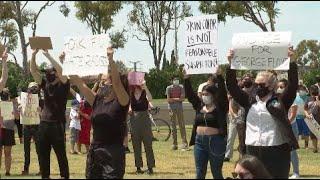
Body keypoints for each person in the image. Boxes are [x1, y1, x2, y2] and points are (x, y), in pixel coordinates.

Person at [226, 48, 299, 178]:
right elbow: (232, 87)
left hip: (276, 151)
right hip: (252, 150)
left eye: (261, 84)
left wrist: (292, 63)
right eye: (256, 83)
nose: (257, 86)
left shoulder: (281, 101)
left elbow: (292, 86)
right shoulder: (249, 100)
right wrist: (231, 64)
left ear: (271, 86)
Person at [69, 47, 130, 179]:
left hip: (113, 153)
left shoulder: (122, 101)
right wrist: (68, 62)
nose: (102, 82)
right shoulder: (98, 100)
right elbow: (80, 84)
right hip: (95, 151)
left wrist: (110, 59)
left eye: (105, 80)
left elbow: (117, 83)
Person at [30, 49, 70, 179]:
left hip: (57, 125)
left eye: (50, 72)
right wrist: (33, 55)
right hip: (43, 125)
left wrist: (48, 56)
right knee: (43, 157)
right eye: (46, 73)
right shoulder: (45, 84)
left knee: (61, 156)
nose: (47, 75)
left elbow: (62, 72)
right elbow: (33, 72)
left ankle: (64, 176)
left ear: (57, 73)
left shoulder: (64, 84)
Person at [184, 67, 228, 179]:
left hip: (216, 141)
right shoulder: (199, 106)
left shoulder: (220, 107)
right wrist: (186, 79)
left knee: (216, 171)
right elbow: (190, 95)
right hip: (199, 142)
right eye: (203, 94)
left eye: (207, 94)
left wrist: (219, 77)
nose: (204, 96)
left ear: (213, 95)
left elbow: (223, 93)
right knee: (199, 172)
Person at [128, 81, 155, 175]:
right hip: (134, 119)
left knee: (148, 144)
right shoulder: (130, 93)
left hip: (145, 119)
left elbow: (150, 99)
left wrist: (145, 86)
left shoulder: (144, 92)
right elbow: (128, 104)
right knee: (136, 144)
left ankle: (150, 167)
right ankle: (138, 167)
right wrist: (129, 108)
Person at [277, 79, 300, 179]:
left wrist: (285, 123)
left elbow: (293, 115)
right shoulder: (278, 97)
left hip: (291, 127)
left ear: (286, 87)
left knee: (292, 151)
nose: (279, 89)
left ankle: (296, 172)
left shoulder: (293, 97)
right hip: (282, 126)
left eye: (281, 87)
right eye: (278, 87)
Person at [21, 82, 43, 176]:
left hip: (37, 127)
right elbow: (21, 116)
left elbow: (45, 116)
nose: (33, 90)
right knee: (26, 150)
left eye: (35, 88)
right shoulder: (24, 99)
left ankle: (42, 169)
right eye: (32, 88)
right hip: (27, 126)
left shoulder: (41, 101)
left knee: (39, 150)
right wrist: (20, 109)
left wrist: (40, 112)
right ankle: (26, 170)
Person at [166, 76, 188, 151]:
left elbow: (183, 98)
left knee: (182, 125)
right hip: (171, 109)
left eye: (177, 80)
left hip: (179, 108)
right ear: (172, 81)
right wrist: (178, 99)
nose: (176, 81)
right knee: (173, 126)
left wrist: (174, 99)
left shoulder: (181, 87)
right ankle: (174, 144)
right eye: (174, 80)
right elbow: (168, 100)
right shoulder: (168, 88)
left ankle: (184, 143)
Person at [224, 94, 244, 162]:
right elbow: (230, 107)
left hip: (242, 120)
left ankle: (242, 156)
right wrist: (234, 115)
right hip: (233, 120)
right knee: (230, 137)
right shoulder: (233, 96)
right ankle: (227, 156)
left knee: (242, 139)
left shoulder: (245, 96)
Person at [0, 89, 15, 177]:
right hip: (5, 129)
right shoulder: (10, 104)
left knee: (6, 152)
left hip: (8, 129)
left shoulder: (12, 105)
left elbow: (16, 117)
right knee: (6, 152)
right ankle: (7, 171)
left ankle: (7, 172)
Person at [304, 85, 320, 153]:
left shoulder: (319, 98)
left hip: (319, 118)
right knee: (313, 134)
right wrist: (307, 114)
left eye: (315, 92)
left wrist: (317, 99)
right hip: (311, 119)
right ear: (310, 92)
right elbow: (305, 108)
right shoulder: (308, 99)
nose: (313, 94)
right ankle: (315, 148)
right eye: (312, 92)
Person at [296, 85, 310, 149]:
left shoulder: (307, 98)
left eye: (304, 90)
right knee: (296, 132)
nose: (303, 91)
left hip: (305, 117)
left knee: (306, 133)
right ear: (298, 91)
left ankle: (306, 146)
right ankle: (296, 145)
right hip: (296, 117)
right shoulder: (295, 97)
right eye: (301, 90)